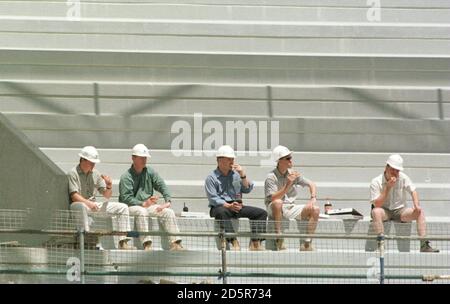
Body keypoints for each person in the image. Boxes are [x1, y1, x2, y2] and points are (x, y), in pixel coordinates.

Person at [119, 144, 184, 251]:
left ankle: (175, 243)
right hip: (130, 207)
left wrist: (167, 201)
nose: (144, 160)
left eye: (145, 158)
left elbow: (161, 184)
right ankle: (147, 244)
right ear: (133, 158)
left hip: (148, 205)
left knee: (168, 212)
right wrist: (142, 203)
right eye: (141, 158)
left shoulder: (150, 172)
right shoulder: (126, 176)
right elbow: (126, 198)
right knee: (141, 211)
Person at [370, 154, 439, 253]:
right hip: (384, 210)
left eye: (397, 170)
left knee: (420, 212)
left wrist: (416, 205)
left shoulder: (403, 177)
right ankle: (381, 245)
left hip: (400, 210)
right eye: (392, 169)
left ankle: (424, 245)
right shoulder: (376, 182)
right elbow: (377, 204)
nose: (395, 173)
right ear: (386, 167)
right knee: (375, 212)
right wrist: (388, 187)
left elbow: (413, 191)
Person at [68, 146, 133, 250]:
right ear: (83, 160)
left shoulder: (96, 173)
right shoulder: (73, 173)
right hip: (80, 205)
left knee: (123, 207)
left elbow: (106, 195)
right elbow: (74, 196)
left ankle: (123, 242)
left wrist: (109, 185)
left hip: (93, 205)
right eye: (91, 162)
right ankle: (86, 240)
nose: (93, 165)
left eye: (94, 162)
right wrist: (89, 204)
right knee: (80, 206)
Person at [205, 145, 267, 251]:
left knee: (261, 213)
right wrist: (228, 205)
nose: (232, 161)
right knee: (222, 212)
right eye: (229, 159)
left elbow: (247, 189)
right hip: (220, 206)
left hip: (236, 205)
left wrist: (243, 175)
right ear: (219, 160)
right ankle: (233, 240)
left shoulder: (236, 175)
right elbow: (213, 199)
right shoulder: (211, 178)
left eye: (233, 159)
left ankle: (255, 242)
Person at [264, 145, 320, 251]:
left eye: (290, 157)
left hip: (290, 206)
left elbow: (312, 184)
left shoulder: (292, 173)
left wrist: (313, 198)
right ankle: (279, 238)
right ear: (279, 161)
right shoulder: (270, 177)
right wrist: (288, 184)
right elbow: (272, 198)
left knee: (315, 209)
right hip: (274, 208)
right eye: (288, 158)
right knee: (278, 202)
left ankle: (307, 243)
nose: (291, 160)